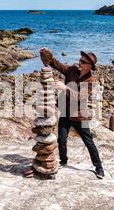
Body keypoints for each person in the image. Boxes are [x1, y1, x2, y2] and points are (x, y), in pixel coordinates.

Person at [40, 48, 105, 179]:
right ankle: (63, 161)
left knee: (88, 142)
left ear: (90, 66)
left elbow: (81, 96)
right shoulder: (71, 70)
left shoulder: (91, 81)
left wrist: (65, 88)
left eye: (83, 61)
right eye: (80, 60)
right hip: (65, 112)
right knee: (61, 139)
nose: (80, 63)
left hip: (80, 116)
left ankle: (99, 167)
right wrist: (47, 55)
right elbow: (56, 64)